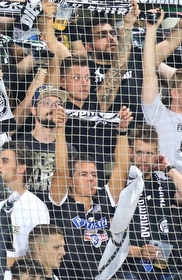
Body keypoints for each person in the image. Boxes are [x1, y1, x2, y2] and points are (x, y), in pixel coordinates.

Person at [49, 101, 136, 280]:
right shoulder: (62, 202)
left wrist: (122, 130)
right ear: (71, 181)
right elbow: (61, 168)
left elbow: (122, 167)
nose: (91, 178)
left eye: (94, 174)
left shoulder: (104, 198)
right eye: (84, 174)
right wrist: (60, 128)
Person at [122, 123, 182, 278]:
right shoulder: (120, 186)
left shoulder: (163, 184)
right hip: (132, 271)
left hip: (166, 270)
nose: (143, 159)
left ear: (157, 154)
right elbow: (111, 239)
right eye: (139, 152)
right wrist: (139, 251)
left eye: (149, 153)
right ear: (130, 153)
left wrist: (168, 168)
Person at [141, 11, 182, 175]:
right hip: (162, 189)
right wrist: (151, 29)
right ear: (174, 93)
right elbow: (149, 71)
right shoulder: (157, 114)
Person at [12, 85, 78, 196]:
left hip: (57, 210)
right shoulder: (18, 146)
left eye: (58, 104)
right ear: (33, 110)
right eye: (47, 103)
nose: (53, 108)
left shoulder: (69, 150)